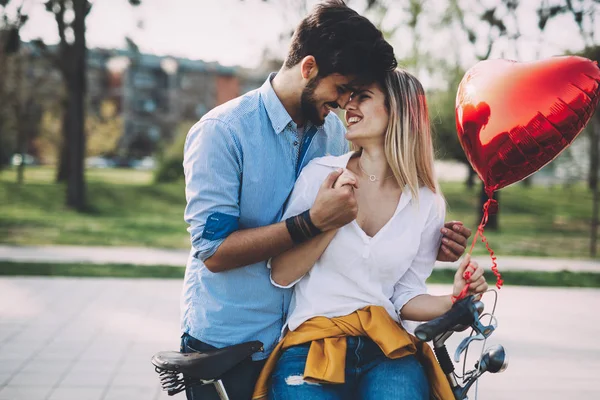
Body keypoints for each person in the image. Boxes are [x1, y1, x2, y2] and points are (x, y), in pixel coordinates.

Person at [180, 2, 472, 399]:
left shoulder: (333, 136)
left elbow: (373, 263)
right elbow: (213, 253)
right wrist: (315, 223)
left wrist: (419, 244)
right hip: (234, 337)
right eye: (342, 89)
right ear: (309, 68)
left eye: (356, 95)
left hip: (308, 332)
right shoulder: (222, 133)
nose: (342, 104)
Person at [252, 69, 488, 400]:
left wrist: (455, 299)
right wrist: (329, 220)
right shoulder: (321, 175)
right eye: (348, 97)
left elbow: (405, 295)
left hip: (387, 350)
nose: (348, 105)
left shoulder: (427, 203)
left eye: (363, 97)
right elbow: (281, 273)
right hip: (313, 343)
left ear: (400, 111)